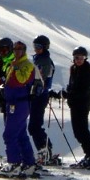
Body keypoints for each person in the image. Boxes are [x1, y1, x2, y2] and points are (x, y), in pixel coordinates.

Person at [0, 40, 38, 177]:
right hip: (13, 102)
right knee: (20, 134)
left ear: (24, 50)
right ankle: (28, 163)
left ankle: (14, 163)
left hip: (19, 103)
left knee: (9, 134)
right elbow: (9, 81)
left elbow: (21, 80)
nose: (17, 51)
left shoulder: (27, 65)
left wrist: (15, 68)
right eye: (15, 49)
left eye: (20, 49)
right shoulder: (14, 63)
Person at [63, 46, 90, 168]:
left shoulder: (87, 70)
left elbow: (84, 90)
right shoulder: (74, 69)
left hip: (81, 105)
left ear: (85, 58)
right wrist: (67, 92)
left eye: (81, 58)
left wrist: (69, 94)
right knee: (78, 132)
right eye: (76, 58)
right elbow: (72, 85)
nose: (79, 60)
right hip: (74, 104)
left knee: (82, 131)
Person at [29, 35, 57, 165]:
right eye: (35, 46)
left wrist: (35, 91)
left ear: (45, 47)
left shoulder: (44, 61)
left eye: (39, 47)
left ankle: (45, 150)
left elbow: (42, 80)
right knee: (34, 126)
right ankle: (45, 149)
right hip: (36, 95)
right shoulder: (39, 59)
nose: (36, 49)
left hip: (40, 96)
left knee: (34, 126)